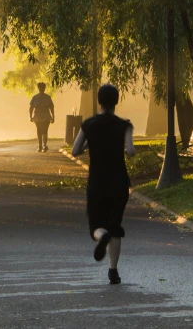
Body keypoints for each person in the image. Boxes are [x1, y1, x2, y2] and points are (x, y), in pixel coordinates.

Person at [71, 84, 135, 285]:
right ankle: (113, 272)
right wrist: (124, 150)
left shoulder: (88, 125)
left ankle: (102, 236)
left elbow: (75, 151)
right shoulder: (125, 125)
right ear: (116, 101)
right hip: (119, 182)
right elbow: (131, 151)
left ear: (99, 101)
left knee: (96, 226)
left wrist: (91, 142)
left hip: (97, 181)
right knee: (115, 226)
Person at [29, 82, 55, 152]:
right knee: (39, 131)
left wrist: (53, 117)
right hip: (37, 117)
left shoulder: (48, 97)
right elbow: (31, 107)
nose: (42, 89)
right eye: (40, 88)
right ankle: (40, 146)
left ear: (44, 88)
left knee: (45, 131)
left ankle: (44, 145)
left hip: (46, 116)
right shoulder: (35, 97)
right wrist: (30, 116)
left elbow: (51, 108)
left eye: (43, 88)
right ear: (38, 88)